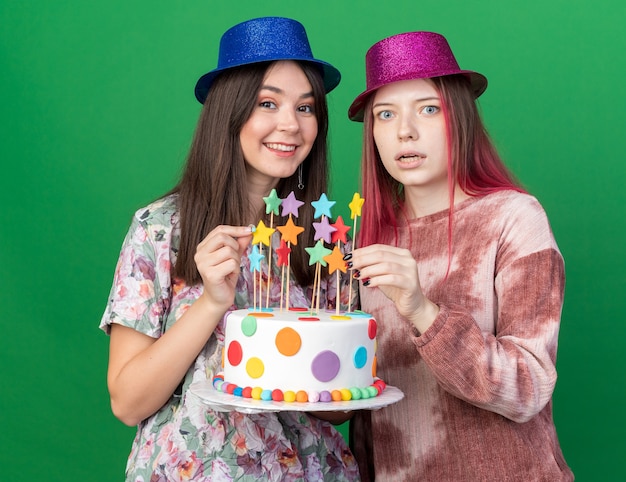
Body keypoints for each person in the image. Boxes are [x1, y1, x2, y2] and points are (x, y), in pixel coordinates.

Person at [100, 17, 360, 481]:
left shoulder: (327, 243)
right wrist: (213, 302)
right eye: (267, 103)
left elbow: (339, 410)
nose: (290, 124)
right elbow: (127, 401)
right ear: (229, 112)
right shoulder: (160, 229)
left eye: (305, 108)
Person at [345, 31, 574, 481]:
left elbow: (528, 388)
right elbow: (370, 411)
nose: (404, 130)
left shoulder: (513, 218)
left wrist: (421, 310)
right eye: (385, 115)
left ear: (460, 116)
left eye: (428, 109)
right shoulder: (367, 243)